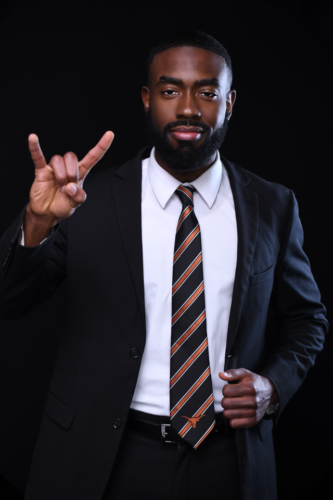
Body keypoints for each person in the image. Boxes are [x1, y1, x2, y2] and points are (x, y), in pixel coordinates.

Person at [0, 30, 328, 500]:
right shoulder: (84, 202)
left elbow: (306, 319)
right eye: (171, 91)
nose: (189, 108)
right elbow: (8, 301)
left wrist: (273, 386)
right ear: (147, 98)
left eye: (207, 92)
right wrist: (36, 223)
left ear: (229, 102)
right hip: (103, 458)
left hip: (230, 463)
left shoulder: (273, 206)